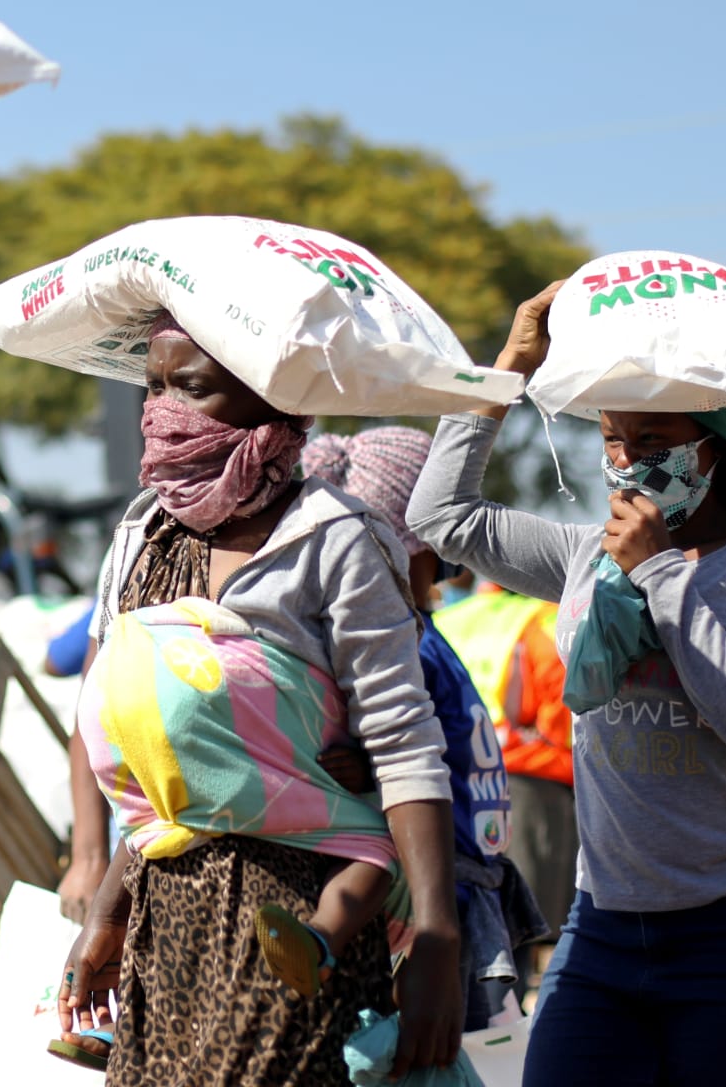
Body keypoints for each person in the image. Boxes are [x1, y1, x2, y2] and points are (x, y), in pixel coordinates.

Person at [408, 282, 726, 1087]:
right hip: (604, 927)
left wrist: (660, 575)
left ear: (714, 444)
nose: (628, 459)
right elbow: (439, 519)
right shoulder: (584, 555)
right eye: (613, 438)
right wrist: (509, 368)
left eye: (655, 437)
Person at [54, 313, 463, 1085]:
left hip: (297, 925)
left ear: (271, 400)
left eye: (193, 388)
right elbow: (156, 765)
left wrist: (440, 933)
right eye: (153, 387)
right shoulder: (143, 534)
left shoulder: (332, 536)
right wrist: (108, 911)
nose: (163, 411)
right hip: (161, 921)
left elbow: (406, 742)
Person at [299, 426, 545, 1030]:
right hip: (439, 893)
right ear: (392, 546)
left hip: (473, 885)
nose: (448, 562)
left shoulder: (424, 630)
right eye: (436, 545)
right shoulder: (395, 644)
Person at [434, 585, 577, 955]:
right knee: (524, 925)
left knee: (471, 908)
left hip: (451, 778)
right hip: (533, 780)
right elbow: (564, 715)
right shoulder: (543, 620)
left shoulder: (450, 618)